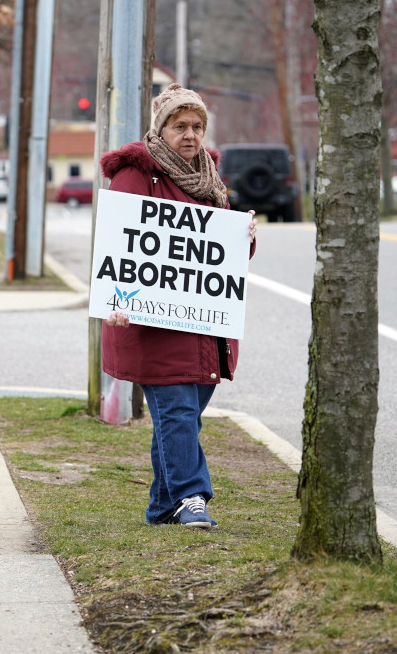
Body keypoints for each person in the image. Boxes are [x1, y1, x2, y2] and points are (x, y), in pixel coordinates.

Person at [99, 84, 258, 529]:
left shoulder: (211, 180)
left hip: (203, 327)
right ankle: (192, 498)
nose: (190, 135)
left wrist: (245, 237)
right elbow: (119, 244)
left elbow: (224, 257)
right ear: (161, 129)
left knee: (180, 419)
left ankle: (160, 507)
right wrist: (116, 299)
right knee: (177, 414)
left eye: (197, 126)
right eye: (180, 126)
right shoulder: (135, 175)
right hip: (151, 327)